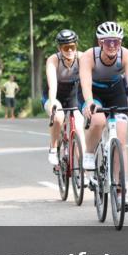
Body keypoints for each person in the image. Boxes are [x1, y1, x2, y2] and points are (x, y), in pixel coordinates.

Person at [79, 22, 128, 212]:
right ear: (100, 42)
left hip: (116, 92)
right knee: (98, 121)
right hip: (93, 93)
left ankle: (119, 190)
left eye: (116, 42)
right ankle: (89, 153)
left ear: (120, 42)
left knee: (121, 139)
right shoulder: (89, 56)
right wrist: (89, 102)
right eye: (107, 41)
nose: (112, 46)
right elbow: (85, 83)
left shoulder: (126, 55)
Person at [44, 29, 85, 174]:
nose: (69, 50)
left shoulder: (82, 58)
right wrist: (53, 103)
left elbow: (88, 81)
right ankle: (54, 148)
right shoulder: (53, 60)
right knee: (58, 117)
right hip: (54, 95)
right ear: (59, 48)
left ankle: (84, 173)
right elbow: (52, 86)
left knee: (79, 128)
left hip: (73, 95)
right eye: (65, 48)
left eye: (72, 47)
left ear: (76, 46)